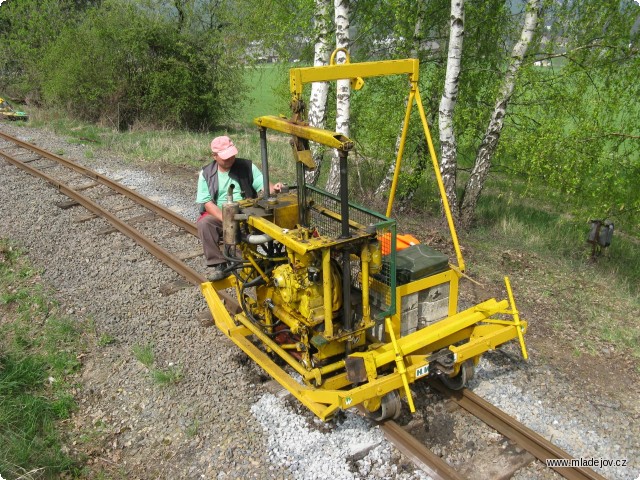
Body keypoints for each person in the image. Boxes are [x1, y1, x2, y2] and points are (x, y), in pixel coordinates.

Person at [196, 135, 282, 281]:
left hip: (247, 211)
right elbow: (206, 202)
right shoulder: (206, 173)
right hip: (221, 212)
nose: (230, 159)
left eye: (231, 155)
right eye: (225, 157)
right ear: (214, 156)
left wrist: (274, 188)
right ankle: (219, 264)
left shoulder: (247, 167)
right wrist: (225, 218)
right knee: (205, 223)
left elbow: (263, 184)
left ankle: (257, 261)